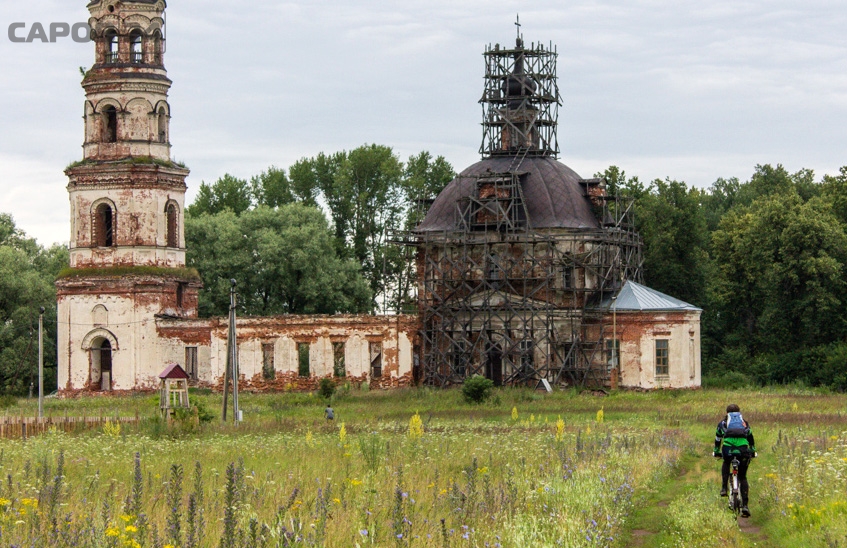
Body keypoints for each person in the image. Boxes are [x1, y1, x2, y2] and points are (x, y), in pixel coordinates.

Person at [714, 403, 756, 517]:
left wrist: (716, 451)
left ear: (727, 413)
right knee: (742, 477)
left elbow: (718, 438)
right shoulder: (744, 423)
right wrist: (752, 451)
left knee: (726, 462)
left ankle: (724, 488)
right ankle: (745, 506)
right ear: (739, 412)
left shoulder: (723, 423)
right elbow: (750, 437)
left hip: (728, 450)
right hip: (743, 451)